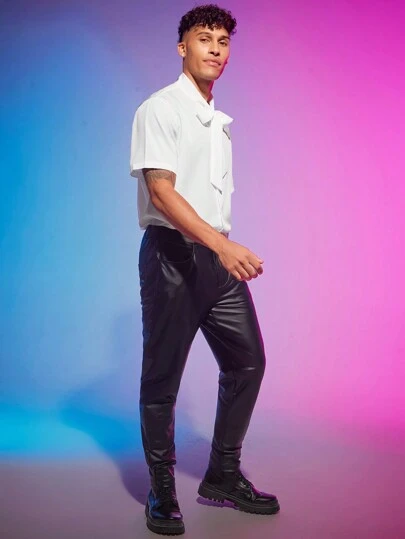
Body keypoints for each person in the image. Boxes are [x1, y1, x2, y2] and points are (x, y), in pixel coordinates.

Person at [130, 4, 280, 535]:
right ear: (182, 47)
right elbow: (161, 192)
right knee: (162, 379)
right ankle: (161, 488)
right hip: (172, 258)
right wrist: (222, 245)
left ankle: (222, 475)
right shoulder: (160, 108)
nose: (215, 49)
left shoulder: (217, 120)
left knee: (247, 364)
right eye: (203, 38)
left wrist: (219, 247)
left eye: (223, 41)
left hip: (214, 258)